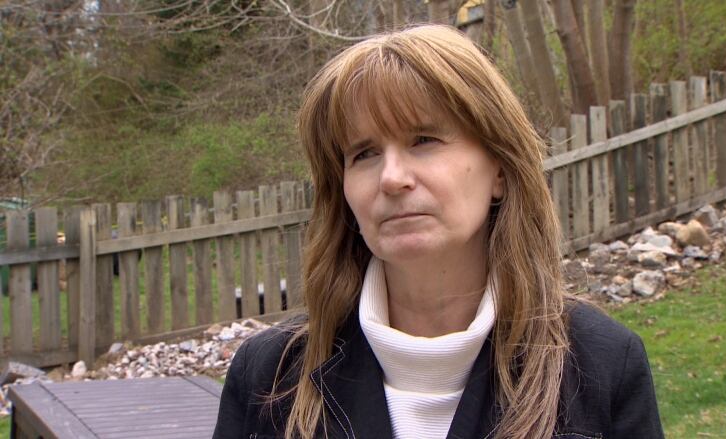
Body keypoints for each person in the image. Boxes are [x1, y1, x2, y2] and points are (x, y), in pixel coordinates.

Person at [213, 25, 664, 439]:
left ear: (500, 169)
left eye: (423, 140)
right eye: (364, 153)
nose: (392, 177)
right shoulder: (268, 376)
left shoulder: (602, 364)